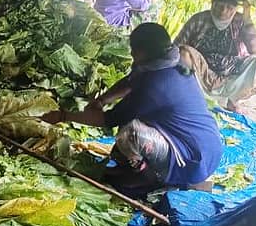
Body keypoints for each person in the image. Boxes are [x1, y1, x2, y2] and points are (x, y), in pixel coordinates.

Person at [42, 23, 222, 198]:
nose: (131, 53)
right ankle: (148, 166)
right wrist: (102, 99)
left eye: (133, 49)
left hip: (192, 159)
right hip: (204, 144)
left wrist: (63, 115)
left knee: (130, 133)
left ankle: (148, 177)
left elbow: (110, 119)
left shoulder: (156, 86)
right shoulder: (169, 61)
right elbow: (131, 81)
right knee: (129, 134)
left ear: (142, 52)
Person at [174, 0, 256, 113]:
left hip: (230, 75)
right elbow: (176, 47)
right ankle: (198, 96)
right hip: (203, 73)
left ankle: (232, 100)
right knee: (183, 52)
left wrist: (247, 17)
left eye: (229, 8)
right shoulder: (199, 20)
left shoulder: (239, 21)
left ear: (235, 8)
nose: (223, 12)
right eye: (220, 6)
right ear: (212, 3)